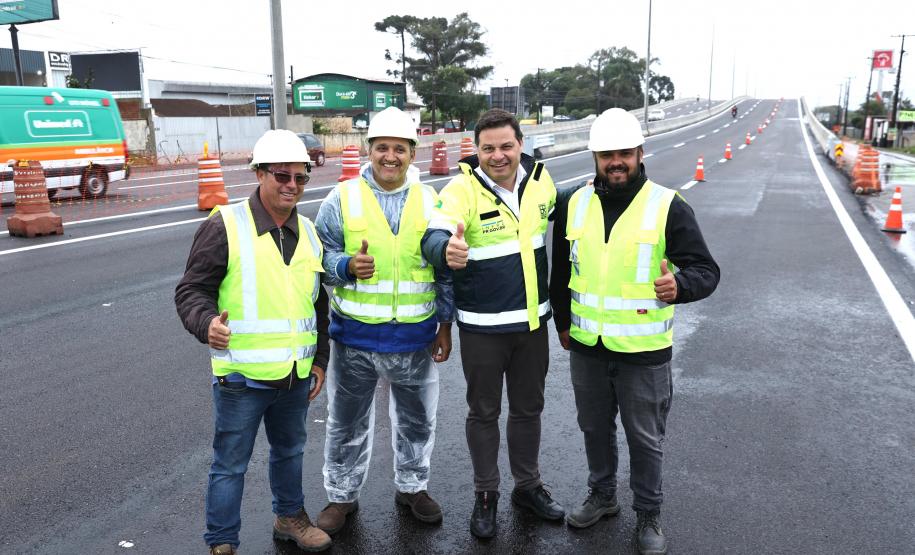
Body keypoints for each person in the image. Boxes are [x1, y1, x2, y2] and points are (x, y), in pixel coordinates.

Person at [550, 108, 719, 555]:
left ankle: (649, 513)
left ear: (641, 153)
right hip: (588, 347)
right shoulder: (573, 202)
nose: (616, 162)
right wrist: (564, 324)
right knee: (593, 427)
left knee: (645, 438)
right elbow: (561, 270)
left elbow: (706, 269)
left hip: (643, 350)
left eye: (624, 152)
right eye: (607, 155)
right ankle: (603, 497)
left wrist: (679, 285)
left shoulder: (668, 205)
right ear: (595, 157)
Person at [175, 129, 332, 555]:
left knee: (290, 452)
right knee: (229, 465)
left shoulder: (310, 231)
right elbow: (191, 290)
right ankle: (222, 540)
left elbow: (317, 304)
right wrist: (205, 323)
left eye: (301, 178)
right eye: (282, 176)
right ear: (259, 173)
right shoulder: (225, 225)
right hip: (241, 377)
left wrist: (319, 361)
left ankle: (290, 517)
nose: (292, 186)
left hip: (295, 376)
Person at [422, 108, 565, 539]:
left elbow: (564, 211)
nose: (498, 156)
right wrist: (445, 249)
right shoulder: (462, 188)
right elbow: (434, 235)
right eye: (488, 148)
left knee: (528, 410)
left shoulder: (541, 182)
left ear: (520, 144)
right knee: (483, 413)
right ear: (476, 150)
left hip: (532, 326)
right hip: (483, 329)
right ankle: (486, 495)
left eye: (506, 146)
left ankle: (528, 486)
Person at [313, 106, 453, 534]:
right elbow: (318, 254)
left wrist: (445, 325)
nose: (389, 157)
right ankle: (341, 497)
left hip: (414, 338)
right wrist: (345, 266)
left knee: (416, 420)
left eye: (399, 149)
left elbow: (444, 267)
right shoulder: (342, 198)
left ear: (412, 153)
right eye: (381, 148)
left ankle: (412, 487)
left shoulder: (432, 201)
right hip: (354, 339)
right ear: (368, 150)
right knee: (345, 422)